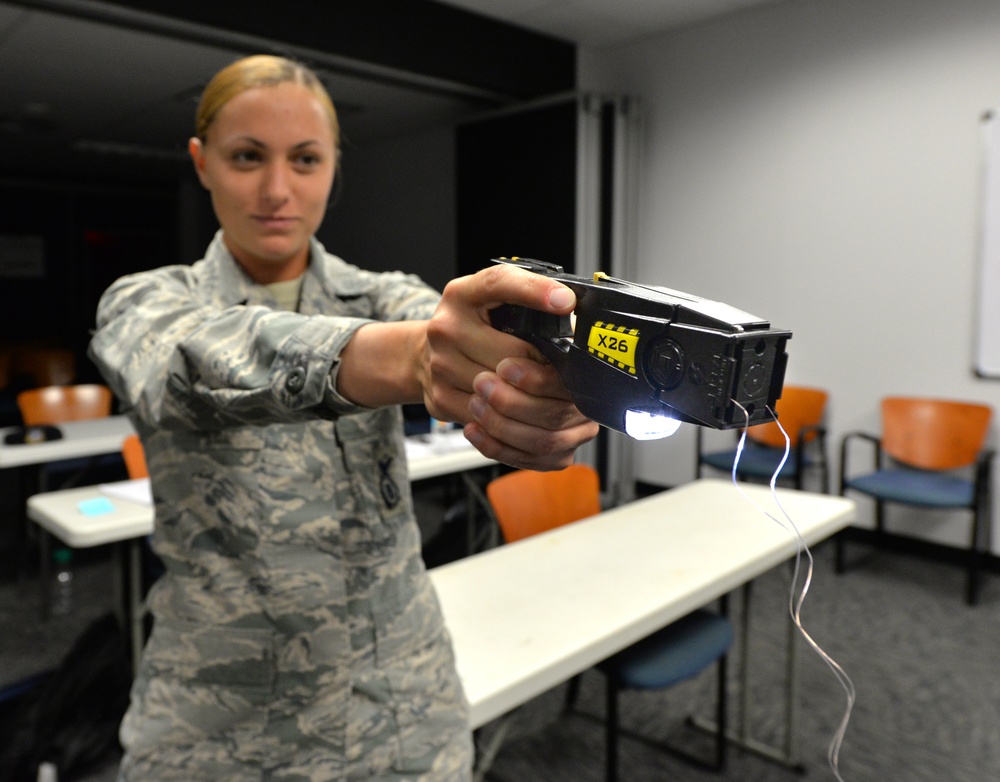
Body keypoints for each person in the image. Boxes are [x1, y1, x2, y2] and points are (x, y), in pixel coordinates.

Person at [88, 54, 597, 781]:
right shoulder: (148, 300)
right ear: (202, 164)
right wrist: (408, 362)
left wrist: (535, 376)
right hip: (221, 723)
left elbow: (447, 334)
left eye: (304, 160)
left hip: (400, 703)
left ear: (333, 167)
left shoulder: (384, 296)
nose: (276, 190)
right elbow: (191, 360)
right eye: (246, 158)